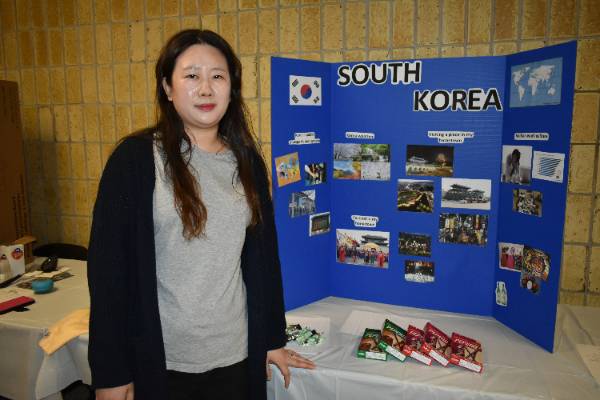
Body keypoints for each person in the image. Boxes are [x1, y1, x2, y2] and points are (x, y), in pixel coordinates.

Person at [87, 29, 314, 400]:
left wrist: (271, 338)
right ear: (167, 86)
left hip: (237, 358)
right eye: (192, 75)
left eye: (218, 76)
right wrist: (110, 374)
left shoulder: (247, 162)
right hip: (162, 363)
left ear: (232, 87)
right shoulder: (135, 160)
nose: (206, 89)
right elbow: (109, 273)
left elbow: (262, 260)